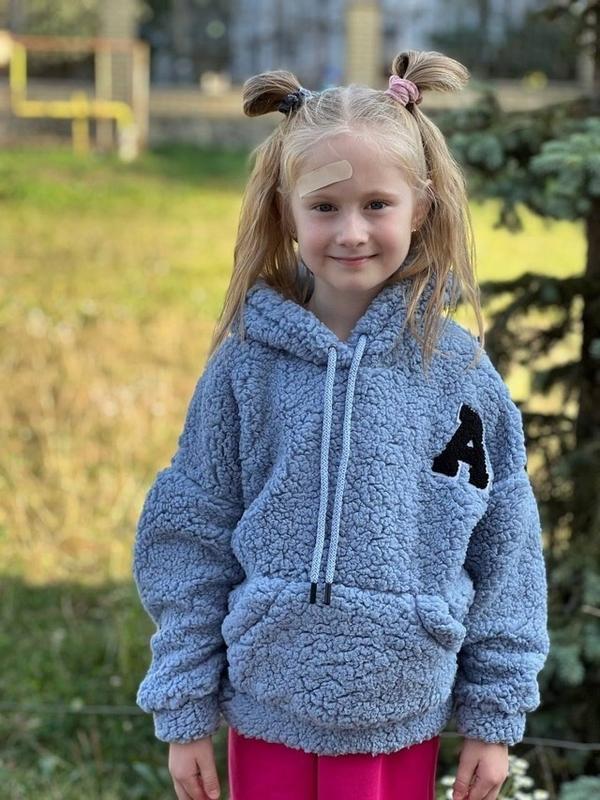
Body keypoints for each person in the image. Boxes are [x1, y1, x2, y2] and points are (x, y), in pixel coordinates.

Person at [132, 49, 550, 800]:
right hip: (268, 704)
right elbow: (190, 531)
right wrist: (184, 703)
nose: (352, 231)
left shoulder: (459, 376)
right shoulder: (245, 366)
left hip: (400, 712)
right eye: (325, 207)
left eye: (377, 204)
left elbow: (506, 547)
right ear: (285, 213)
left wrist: (494, 716)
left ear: (422, 207)